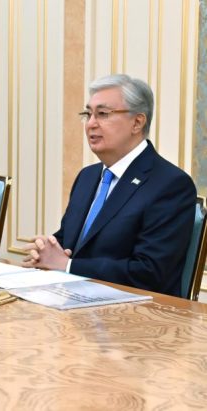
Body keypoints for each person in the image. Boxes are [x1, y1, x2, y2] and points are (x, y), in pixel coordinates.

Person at [23, 74, 196, 297]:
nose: (91, 124)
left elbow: (150, 272)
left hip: (134, 312)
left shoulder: (170, 184)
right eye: (88, 114)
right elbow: (69, 243)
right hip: (71, 301)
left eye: (103, 114)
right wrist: (45, 250)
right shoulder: (87, 176)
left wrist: (68, 266)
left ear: (137, 122)